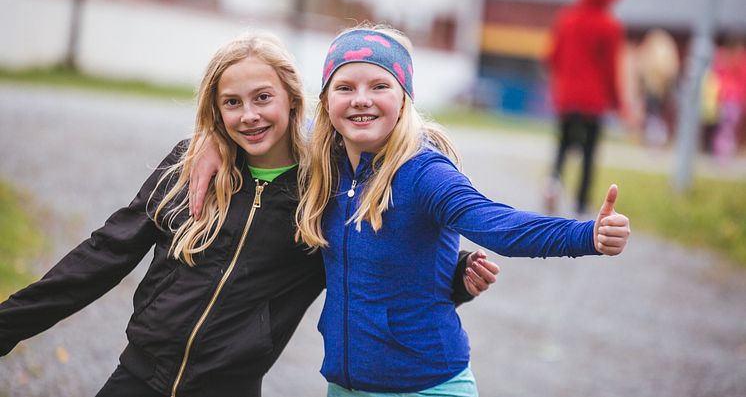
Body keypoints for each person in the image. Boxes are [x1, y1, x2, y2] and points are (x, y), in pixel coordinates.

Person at [0, 32, 495, 397]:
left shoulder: (321, 190)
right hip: (138, 377)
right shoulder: (189, 166)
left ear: (293, 100)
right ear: (215, 111)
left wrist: (452, 281)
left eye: (263, 98)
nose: (249, 116)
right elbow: (103, 254)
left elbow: (369, 269)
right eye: (231, 103)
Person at [294, 24, 631, 396]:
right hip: (345, 387)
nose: (361, 99)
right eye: (345, 87)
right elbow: (266, 125)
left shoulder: (425, 173)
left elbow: (500, 225)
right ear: (325, 100)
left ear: (404, 98)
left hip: (426, 386)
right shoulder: (324, 162)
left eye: (379, 86)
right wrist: (214, 151)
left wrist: (588, 235)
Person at [543, 0, 626, 216]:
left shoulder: (566, 19)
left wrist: (563, 83)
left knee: (562, 145)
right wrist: (617, 103)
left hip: (567, 98)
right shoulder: (610, 26)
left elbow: (552, 57)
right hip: (593, 101)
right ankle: (581, 202)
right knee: (589, 153)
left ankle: (554, 183)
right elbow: (611, 70)